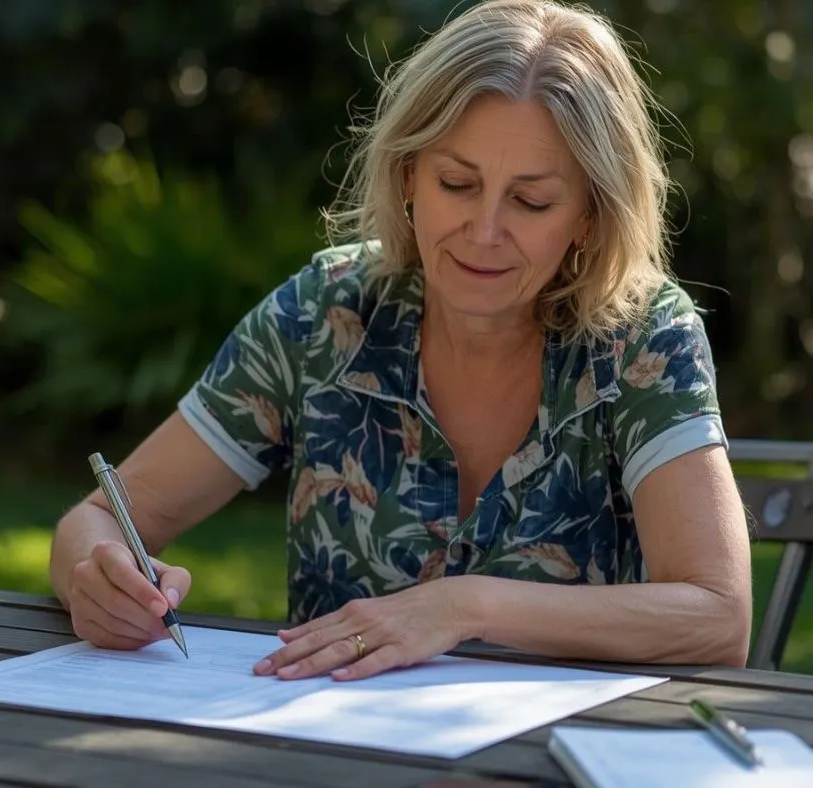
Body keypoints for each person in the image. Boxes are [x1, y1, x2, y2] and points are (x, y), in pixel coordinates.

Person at [49, 0, 752, 681]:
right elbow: (99, 520)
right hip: (325, 751)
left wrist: (465, 604)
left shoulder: (642, 339)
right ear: (410, 172)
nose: (483, 232)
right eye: (457, 183)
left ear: (591, 217)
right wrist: (100, 579)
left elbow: (718, 617)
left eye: (531, 201)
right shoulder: (325, 314)